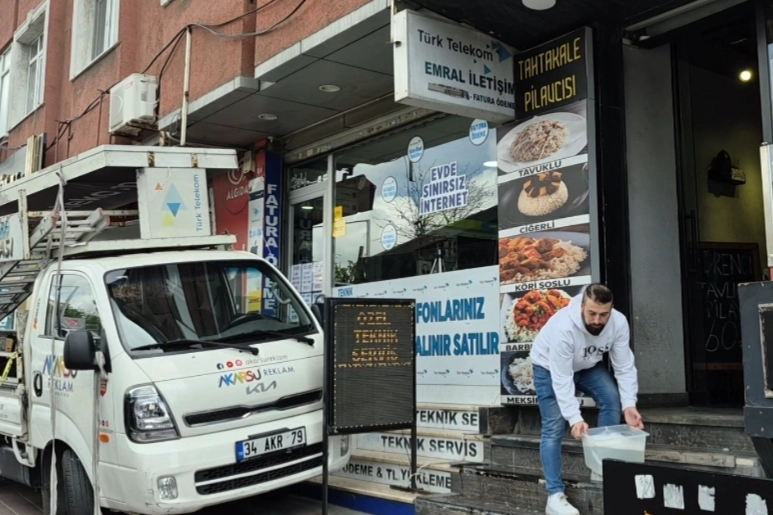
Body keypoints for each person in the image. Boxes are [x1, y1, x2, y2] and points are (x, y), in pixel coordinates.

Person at [529, 283, 643, 515]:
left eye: (604, 314)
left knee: (612, 399)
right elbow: (561, 378)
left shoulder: (619, 322)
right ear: (581, 306)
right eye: (592, 313)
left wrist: (629, 404)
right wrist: (575, 418)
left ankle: (601, 465)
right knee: (553, 426)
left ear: (611, 309)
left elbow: (624, 366)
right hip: (548, 368)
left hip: (587, 366)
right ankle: (555, 496)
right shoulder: (564, 327)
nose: (597, 320)